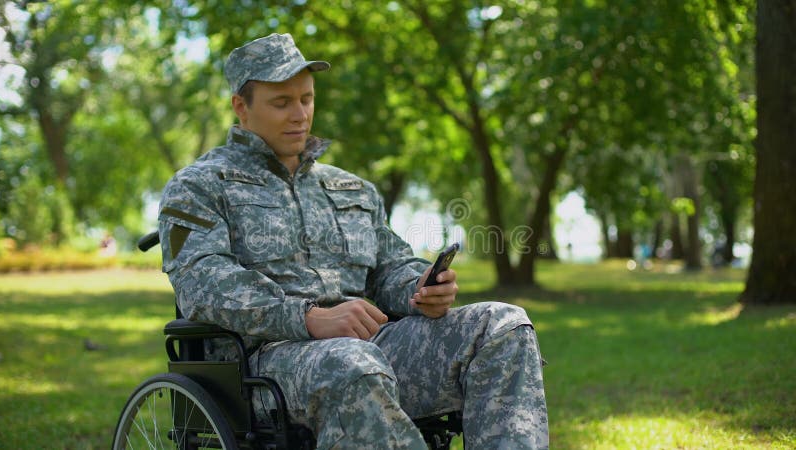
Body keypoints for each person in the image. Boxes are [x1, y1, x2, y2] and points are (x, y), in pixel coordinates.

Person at [158, 33, 548, 449]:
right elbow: (203, 283)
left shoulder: (351, 189)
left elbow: (390, 266)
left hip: (371, 344)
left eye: (306, 99)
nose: (300, 115)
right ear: (241, 106)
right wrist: (308, 316)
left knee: (503, 326)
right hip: (264, 362)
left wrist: (420, 286)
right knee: (351, 363)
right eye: (281, 102)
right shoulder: (198, 186)